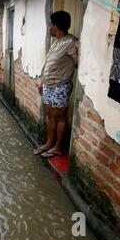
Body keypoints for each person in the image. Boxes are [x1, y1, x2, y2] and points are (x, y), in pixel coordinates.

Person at [34, 11, 79, 158]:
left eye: (50, 25)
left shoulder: (71, 42)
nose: (49, 28)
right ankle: (49, 143)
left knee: (60, 116)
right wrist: (42, 82)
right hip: (48, 85)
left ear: (56, 26)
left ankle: (58, 147)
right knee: (50, 115)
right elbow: (48, 64)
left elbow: (78, 62)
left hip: (61, 85)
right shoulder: (56, 42)